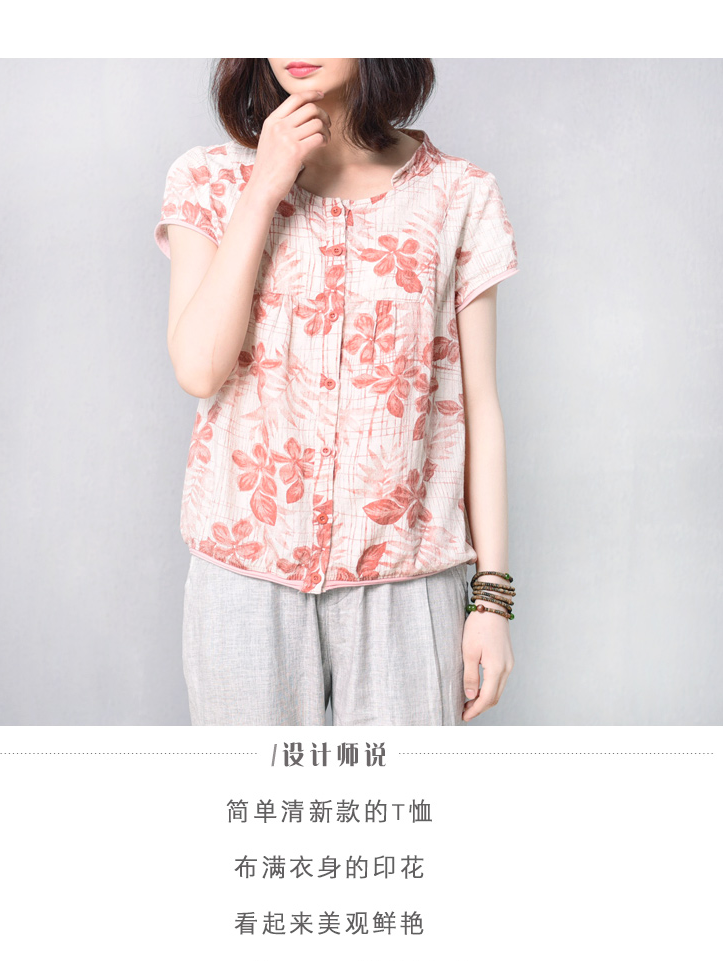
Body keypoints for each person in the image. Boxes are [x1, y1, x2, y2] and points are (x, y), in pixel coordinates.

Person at [153, 58, 519, 727]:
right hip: (245, 575)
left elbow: (479, 407)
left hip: (408, 576)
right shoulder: (208, 180)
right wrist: (264, 187)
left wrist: (491, 601)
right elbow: (199, 369)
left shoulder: (458, 195)